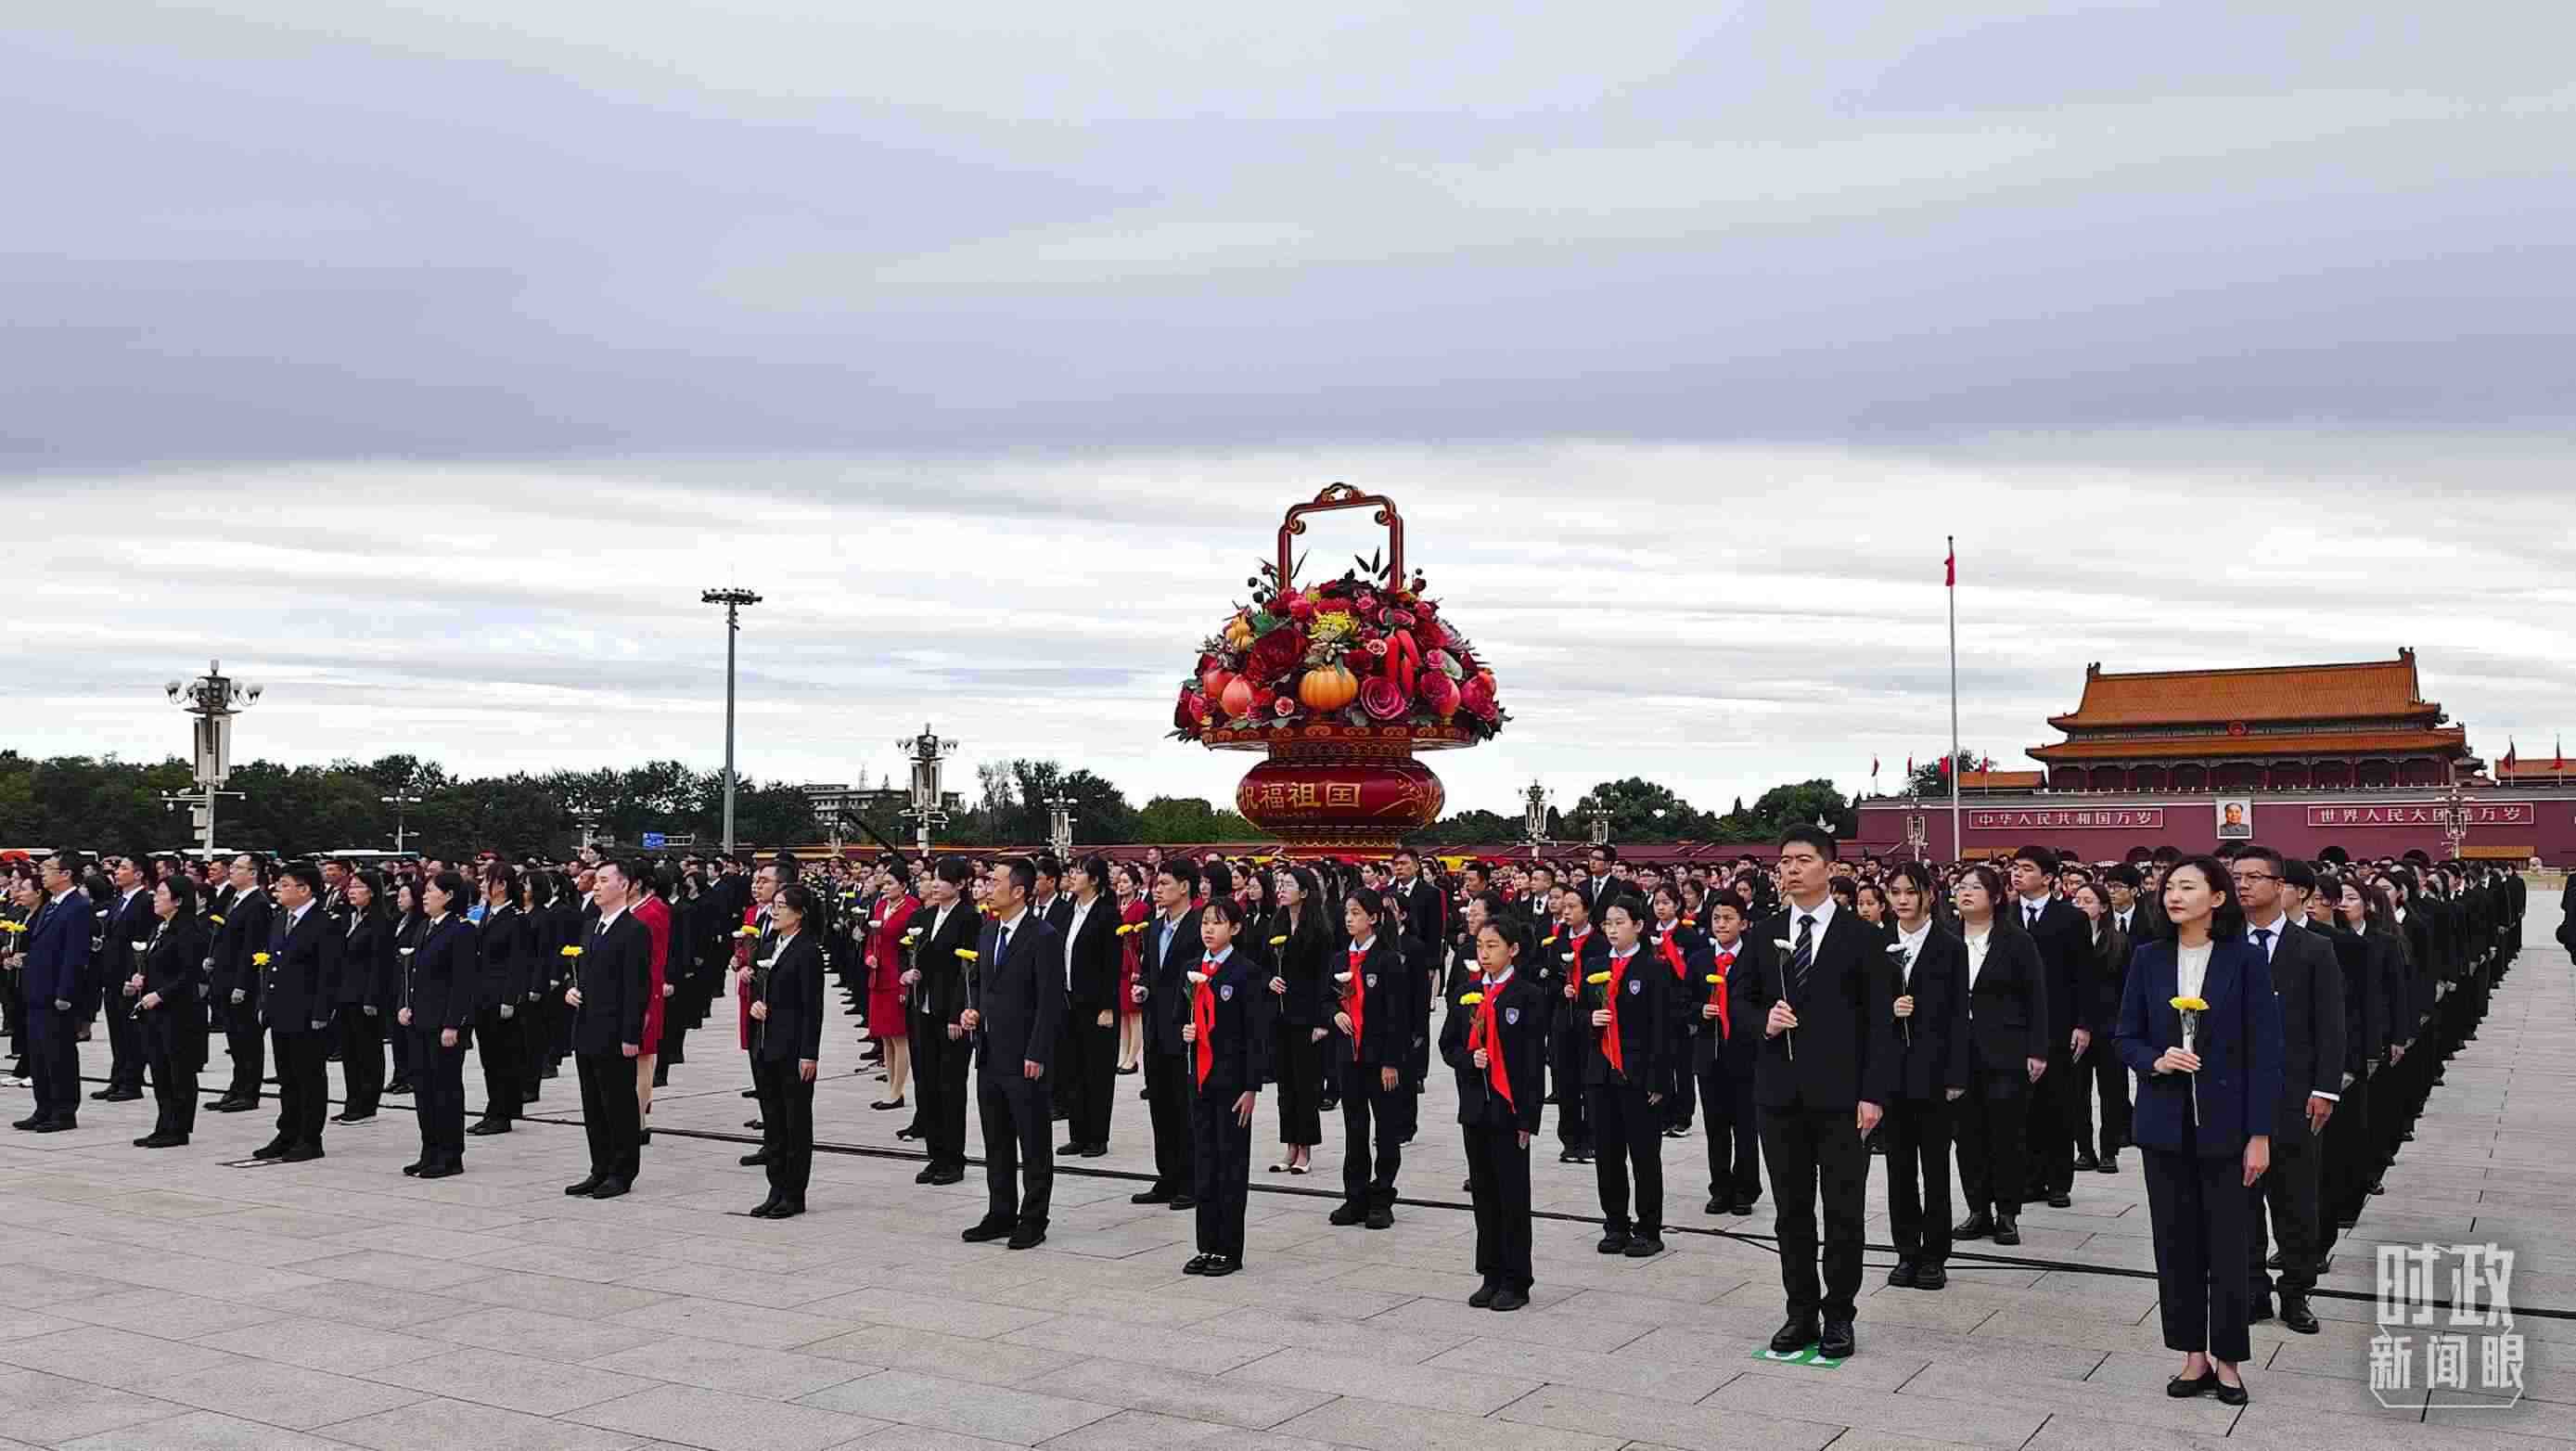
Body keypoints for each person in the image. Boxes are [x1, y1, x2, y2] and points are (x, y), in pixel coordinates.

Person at [2118, 856, 2278, 1407]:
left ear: (2218, 898)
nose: (2174, 896)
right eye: (2169, 887)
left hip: (2228, 1128)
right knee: (2175, 1246)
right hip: (2164, 1126)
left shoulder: (2245, 959)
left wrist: (2259, 1134)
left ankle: (2229, 1360)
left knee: (2229, 1247)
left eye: (2188, 887)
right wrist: (2156, 1060)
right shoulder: (2148, 958)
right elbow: (2126, 1036)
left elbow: (2266, 1051)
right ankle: (2192, 1355)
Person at [1731, 826, 1895, 1361]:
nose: (1792, 869)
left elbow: (1880, 1024)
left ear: (1830, 867)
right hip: (1779, 1095)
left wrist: (1873, 1094)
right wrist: (1764, 1020)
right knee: (1791, 1210)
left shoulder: (1863, 937)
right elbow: (1738, 999)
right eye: (1785, 861)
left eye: (1803, 859)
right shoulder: (1764, 934)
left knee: (1843, 1210)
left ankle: (1840, 1313)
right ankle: (1800, 1310)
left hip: (1843, 1097)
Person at [2231, 846, 2342, 1337]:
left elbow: (2331, 1025)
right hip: (2234, 1094)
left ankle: (2296, 1292)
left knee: (2296, 1201)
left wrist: (2325, 1089)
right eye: (2237, 877)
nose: (2243, 885)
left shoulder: (2313, 948)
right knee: (2241, 1200)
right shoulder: (2221, 943)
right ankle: (2252, 1289)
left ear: (2281, 886)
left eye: (2254, 877)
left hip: (2294, 1094)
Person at [961, 859, 1066, 1251]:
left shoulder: (1043, 936)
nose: (988, 886)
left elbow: (1050, 1001)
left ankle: (1034, 1217)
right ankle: (1000, 1211)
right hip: (990, 1052)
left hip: (1025, 1056)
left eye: (995, 881)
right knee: (997, 1138)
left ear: (1019, 890)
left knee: (1033, 1140)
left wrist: (1037, 1051)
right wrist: (973, 1011)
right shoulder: (988, 930)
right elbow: (982, 984)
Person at [1442, 917, 1546, 1309]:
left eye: (1493, 946)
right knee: (1484, 1194)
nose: (1484, 954)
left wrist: (1528, 1118)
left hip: (1510, 1107)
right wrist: (1469, 1059)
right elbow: (1448, 1045)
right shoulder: (1467, 993)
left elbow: (1534, 1062)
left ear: (1513, 950)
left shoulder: (1527, 995)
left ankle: (1516, 1280)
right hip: (1476, 1107)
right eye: (1480, 946)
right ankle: (1490, 1273)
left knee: (1512, 1196)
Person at [1949, 865, 2051, 1247]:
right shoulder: (1946, 938)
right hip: (1958, 1053)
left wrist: (2037, 1049)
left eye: (1976, 887)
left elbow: (2036, 997)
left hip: (2006, 1051)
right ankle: (1978, 1209)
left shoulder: (2016, 941)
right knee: (1967, 1135)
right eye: (1961, 886)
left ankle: (2007, 1213)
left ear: (1995, 897)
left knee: (2007, 1134)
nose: (1966, 893)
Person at [1880, 861, 1969, 1290]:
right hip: (1892, 1074)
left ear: (1929, 896)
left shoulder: (1950, 947)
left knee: (1935, 1168)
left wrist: (1956, 1075)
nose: (1902, 900)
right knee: (1898, 1168)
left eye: (1910, 892)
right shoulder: (1877, 943)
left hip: (1934, 1072)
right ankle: (1905, 1251)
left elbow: (1958, 1015)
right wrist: (1889, 1010)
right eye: (1895, 892)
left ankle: (1934, 1255)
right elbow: (1861, 1008)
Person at [1180, 895, 1272, 1277]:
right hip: (1200, 1079)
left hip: (1233, 1083)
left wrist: (1251, 1087)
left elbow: (1256, 1035)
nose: (1208, 929)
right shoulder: (1192, 969)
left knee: (1230, 1164)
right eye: (1205, 922)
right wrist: (1185, 1031)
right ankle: (1206, 1244)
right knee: (1204, 1163)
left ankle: (1229, 1249)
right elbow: (1180, 1017)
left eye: (1217, 923)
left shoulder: (1246, 972)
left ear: (1234, 928)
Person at [2008, 845, 2095, 1212]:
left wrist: (2083, 1024)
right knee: (2023, 1107)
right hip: (2014, 1024)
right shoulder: (2004, 916)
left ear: (2047, 878)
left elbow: (2084, 974)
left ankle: (2059, 1181)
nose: (2017, 874)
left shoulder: (2071, 918)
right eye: (2015, 867)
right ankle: (2029, 1179)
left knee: (2058, 1104)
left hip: (2059, 1023)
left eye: (2026, 868)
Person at [1585, 897, 1671, 1256]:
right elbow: (1574, 1016)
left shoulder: (1653, 969)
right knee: (1607, 1155)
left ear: (1638, 925)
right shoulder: (1594, 965)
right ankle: (1615, 1224)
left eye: (1620, 922)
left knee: (1644, 1156)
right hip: (1601, 1074)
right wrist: (1590, 1020)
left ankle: (1649, 1228)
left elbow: (1663, 1028)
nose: (1612, 929)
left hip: (1638, 1075)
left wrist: (1658, 1080)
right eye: (1608, 922)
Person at [565, 859, 651, 1198]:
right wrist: (571, 991)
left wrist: (632, 1035)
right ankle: (599, 1168)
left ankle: (622, 1171)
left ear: (624, 885)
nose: (596, 887)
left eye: (603, 880)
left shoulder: (634, 930)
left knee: (618, 1104)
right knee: (593, 1105)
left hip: (615, 1031)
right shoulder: (590, 927)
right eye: (595, 881)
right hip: (587, 1027)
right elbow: (581, 971)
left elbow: (637, 987)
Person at [1330, 886, 1416, 1229]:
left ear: (1374, 918)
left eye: (1356, 913)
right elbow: (1324, 998)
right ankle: (1355, 1196)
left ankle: (1382, 1196)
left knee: (1386, 1128)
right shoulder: (1339, 959)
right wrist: (1333, 1014)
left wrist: (1391, 1061)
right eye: (1347, 913)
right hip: (1348, 1057)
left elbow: (1398, 1016)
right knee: (1354, 1128)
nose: (1349, 919)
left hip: (1379, 1059)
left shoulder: (1388, 960)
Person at [746, 882, 825, 1217]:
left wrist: (809, 1053)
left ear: (800, 913)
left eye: (782, 906)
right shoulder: (768, 946)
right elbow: (759, 988)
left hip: (792, 1048)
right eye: (774, 905)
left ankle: (794, 1193)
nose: (774, 911)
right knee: (774, 1121)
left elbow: (813, 1008)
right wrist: (755, 1005)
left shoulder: (807, 951)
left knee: (795, 1123)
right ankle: (775, 1188)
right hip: (765, 1044)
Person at [1133, 861, 1204, 1209]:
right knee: (1160, 1107)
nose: (1157, 889)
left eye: (1164, 883)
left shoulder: (1199, 926)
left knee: (1184, 1108)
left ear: (1185, 887)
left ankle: (1191, 1181)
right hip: (1155, 1029)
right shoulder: (1154, 927)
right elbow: (1150, 971)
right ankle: (1167, 1176)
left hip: (1185, 1029)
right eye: (1156, 884)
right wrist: (1143, 987)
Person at [400, 870, 479, 1178]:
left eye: (431, 890)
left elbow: (463, 982)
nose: (425, 895)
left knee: (445, 1089)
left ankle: (450, 1155)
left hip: (443, 1024)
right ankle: (429, 1150)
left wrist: (453, 1024)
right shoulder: (424, 926)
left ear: (448, 895)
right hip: (420, 1019)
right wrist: (405, 1004)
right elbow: (412, 972)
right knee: (423, 1089)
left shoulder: (461, 930)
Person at [255, 862, 336, 1162]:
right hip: (282, 1011)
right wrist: (265, 1004)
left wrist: (321, 1013)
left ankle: (310, 1138)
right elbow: (271, 966)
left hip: (307, 1014)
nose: (278, 889)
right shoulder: (280, 919)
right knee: (287, 1078)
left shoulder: (324, 923)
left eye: (285, 884)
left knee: (309, 1078)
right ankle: (287, 1133)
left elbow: (328, 973)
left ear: (304, 889)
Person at [907, 858, 980, 1181]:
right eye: (933, 878)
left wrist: (956, 1013)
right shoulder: (924, 916)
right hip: (922, 1009)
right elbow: (910, 954)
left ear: (961, 884)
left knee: (950, 1088)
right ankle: (935, 1156)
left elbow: (969, 972)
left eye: (942, 879)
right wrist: (908, 972)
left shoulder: (969, 919)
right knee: (926, 1085)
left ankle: (953, 1160)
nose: (935, 885)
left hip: (950, 1015)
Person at [1689, 890, 1762, 1215]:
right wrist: (1699, 1011)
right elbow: (1682, 1001)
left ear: (1743, 923)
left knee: (1745, 1126)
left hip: (1746, 1056)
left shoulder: (1755, 960)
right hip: (1709, 1054)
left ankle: (1746, 1188)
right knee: (1716, 1127)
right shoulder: (1700, 960)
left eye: (1729, 918)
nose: (1721, 924)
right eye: (1717, 918)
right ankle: (1720, 1187)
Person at [132, 872, 210, 1146]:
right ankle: (163, 1124)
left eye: (162, 893)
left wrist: (161, 994)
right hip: (155, 1012)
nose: (156, 898)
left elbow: (190, 975)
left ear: (177, 900)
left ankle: (178, 1128)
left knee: (179, 1072)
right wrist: (140, 979)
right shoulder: (160, 928)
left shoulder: (189, 931)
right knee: (160, 1070)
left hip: (179, 1012)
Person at [1265, 865, 1331, 1175]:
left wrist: (1321, 1021)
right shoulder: (1276, 924)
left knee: (1306, 1085)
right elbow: (1261, 964)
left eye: (1288, 885)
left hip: (1307, 1017)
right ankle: (1289, 1145)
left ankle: (1305, 1148)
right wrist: (1269, 981)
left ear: (1304, 892)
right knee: (1285, 1085)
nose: (1281, 890)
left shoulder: (1318, 931)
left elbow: (1323, 978)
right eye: (1280, 884)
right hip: (1280, 1015)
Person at [1057, 854, 1120, 1158]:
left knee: (1097, 1071)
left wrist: (1107, 1006)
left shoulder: (1107, 914)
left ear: (1094, 880)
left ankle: (1097, 1136)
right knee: (1072, 1069)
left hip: (1096, 1006)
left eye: (1079, 872)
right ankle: (1078, 1134)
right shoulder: (1068, 910)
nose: (1073, 875)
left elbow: (1111, 964)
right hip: (1069, 1001)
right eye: (1072, 870)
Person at [2071, 880, 2133, 1173]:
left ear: (2103, 907)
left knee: (2112, 1092)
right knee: (2077, 1093)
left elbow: (2127, 987)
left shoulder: (2118, 941)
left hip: (2110, 1026)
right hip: (2076, 1026)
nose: (2081, 906)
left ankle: (2109, 1151)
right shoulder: (2067, 938)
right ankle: (2085, 1150)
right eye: (2077, 900)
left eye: (2088, 901)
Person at [204, 854, 272, 1114]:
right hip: (224, 976)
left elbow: (253, 948)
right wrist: (213, 957)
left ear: (253, 873)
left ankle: (248, 1092)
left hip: (241, 981)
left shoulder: (258, 904)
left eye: (237, 867)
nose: (231, 871)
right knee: (234, 1038)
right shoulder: (234, 899)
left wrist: (242, 984)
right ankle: (236, 1087)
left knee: (247, 1038)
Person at [469, 865, 529, 1136]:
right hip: (483, 996)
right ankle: (495, 1108)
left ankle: (501, 1114)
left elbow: (518, 961)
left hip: (501, 998)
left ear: (502, 885)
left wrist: (510, 998)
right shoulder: (487, 914)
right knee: (489, 1058)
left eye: (487, 881)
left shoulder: (516, 918)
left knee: (503, 1058)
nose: (482, 885)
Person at [331, 871, 393, 1124]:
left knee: (368, 1051)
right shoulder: (347, 918)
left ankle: (367, 1105)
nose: (352, 891)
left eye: (358, 887)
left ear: (372, 891)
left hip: (366, 996)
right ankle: (352, 1101)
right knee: (349, 1052)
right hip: (345, 994)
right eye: (351, 887)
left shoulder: (380, 922)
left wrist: (372, 997)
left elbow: (380, 963)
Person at [94, 855, 154, 1101]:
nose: (117, 872)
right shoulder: (119, 900)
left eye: (124, 868)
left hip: (128, 976)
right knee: (117, 1031)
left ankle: (132, 1082)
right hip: (111, 975)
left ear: (138, 875)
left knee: (132, 1032)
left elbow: (141, 942)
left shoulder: (144, 902)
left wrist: (135, 974)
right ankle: (117, 1078)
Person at [865, 863, 919, 1112]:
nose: (884, 887)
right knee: (885, 1036)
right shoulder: (880, 906)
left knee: (899, 1036)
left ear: (903, 885)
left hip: (897, 978)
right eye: (883, 883)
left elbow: (912, 949)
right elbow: (871, 940)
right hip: (878, 977)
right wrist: (869, 957)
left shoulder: (911, 909)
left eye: (890, 883)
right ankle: (890, 1087)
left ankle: (898, 1091)